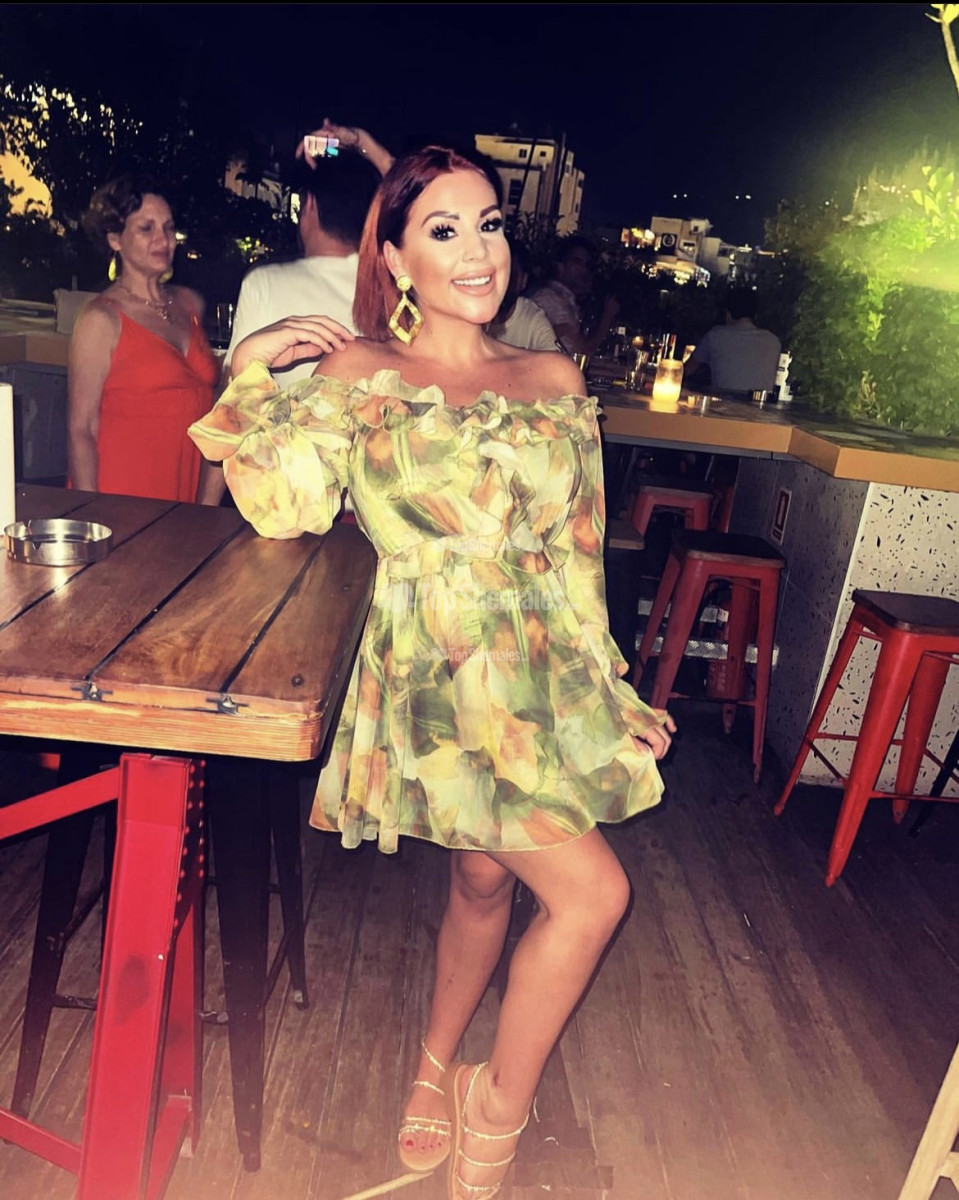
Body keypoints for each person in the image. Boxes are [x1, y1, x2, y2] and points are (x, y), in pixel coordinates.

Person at [188, 145, 675, 1200]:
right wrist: (248, 368)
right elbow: (280, 505)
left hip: (537, 668)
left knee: (485, 876)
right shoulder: (360, 375)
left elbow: (576, 555)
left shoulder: (551, 379)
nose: (475, 249)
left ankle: (442, 1070)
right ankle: (490, 1109)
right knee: (592, 895)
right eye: (442, 230)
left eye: (488, 224)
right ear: (394, 258)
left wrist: (609, 688)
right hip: (434, 672)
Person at [69, 173, 222, 503]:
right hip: (120, 499)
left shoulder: (190, 304)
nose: (163, 239)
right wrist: (90, 512)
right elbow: (82, 430)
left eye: (169, 227)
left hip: (183, 498)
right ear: (115, 239)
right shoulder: (100, 320)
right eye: (146, 228)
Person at [223, 120, 388, 388]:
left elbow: (231, 401)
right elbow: (422, 198)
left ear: (309, 204)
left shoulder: (265, 283)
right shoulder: (395, 285)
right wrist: (364, 144)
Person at [529, 234, 619, 356]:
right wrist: (607, 317)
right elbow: (582, 350)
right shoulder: (547, 298)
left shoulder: (567, 299)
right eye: (576, 262)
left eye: (586, 265)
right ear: (560, 266)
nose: (583, 270)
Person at [684, 288, 782, 398]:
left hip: (723, 404)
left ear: (728, 313)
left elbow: (686, 370)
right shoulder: (773, 341)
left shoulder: (716, 336)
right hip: (761, 405)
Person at [487, 239, 559, 352]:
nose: (504, 283)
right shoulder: (470, 313)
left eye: (511, 276)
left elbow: (555, 359)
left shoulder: (532, 318)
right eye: (497, 274)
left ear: (523, 281)